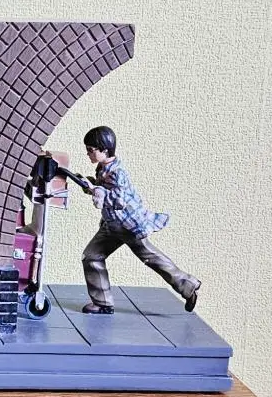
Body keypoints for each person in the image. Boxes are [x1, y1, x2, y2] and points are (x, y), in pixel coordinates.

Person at [78, 126, 200, 314]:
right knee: (92, 256)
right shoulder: (103, 168)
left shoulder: (117, 172)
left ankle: (187, 285)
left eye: (91, 150)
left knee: (150, 257)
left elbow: (119, 200)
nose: (88, 153)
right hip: (111, 225)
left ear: (104, 150)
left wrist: (98, 191)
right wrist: (91, 186)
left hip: (127, 225)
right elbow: (105, 191)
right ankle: (102, 303)